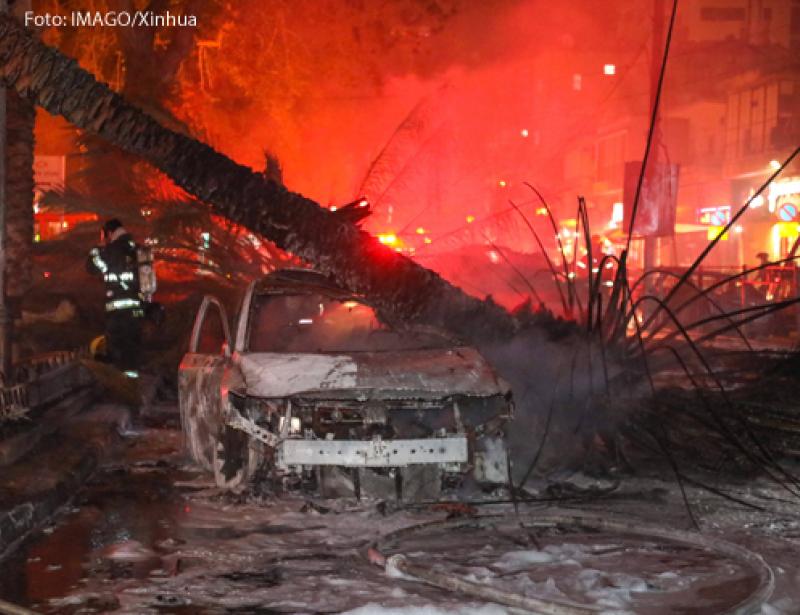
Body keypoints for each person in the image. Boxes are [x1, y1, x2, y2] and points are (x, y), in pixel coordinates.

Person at [86, 219, 144, 378]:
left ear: (109, 233)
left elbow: (91, 268)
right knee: (132, 347)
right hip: (136, 309)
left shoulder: (110, 251)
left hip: (117, 311)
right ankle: (132, 381)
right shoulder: (136, 249)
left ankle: (121, 383)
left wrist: (96, 249)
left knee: (118, 346)